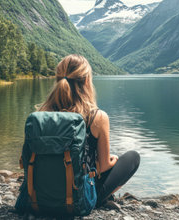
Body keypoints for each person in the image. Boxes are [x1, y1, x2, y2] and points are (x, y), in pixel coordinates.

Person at [37, 54, 140, 206]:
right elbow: (104, 166)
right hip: (77, 198)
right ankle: (96, 199)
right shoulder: (96, 117)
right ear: (86, 81)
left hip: (40, 196)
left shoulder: (42, 115)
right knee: (133, 157)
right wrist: (113, 160)